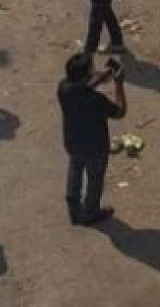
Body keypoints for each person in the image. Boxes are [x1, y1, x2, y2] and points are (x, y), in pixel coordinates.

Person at [57, 52, 126, 225]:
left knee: (75, 169)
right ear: (85, 76)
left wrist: (100, 80)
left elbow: (82, 88)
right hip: (95, 147)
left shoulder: (63, 88)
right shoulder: (95, 100)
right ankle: (91, 212)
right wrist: (118, 84)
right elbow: (120, 111)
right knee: (95, 180)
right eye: (91, 70)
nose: (94, 71)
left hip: (73, 142)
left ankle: (73, 206)